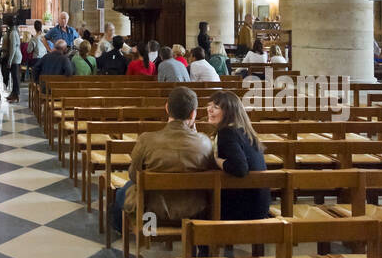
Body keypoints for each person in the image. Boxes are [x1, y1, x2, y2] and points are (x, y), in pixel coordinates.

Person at [112, 86, 213, 233]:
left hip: (153, 210)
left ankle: (121, 228)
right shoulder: (205, 142)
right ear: (193, 114)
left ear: (167, 108)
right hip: (194, 210)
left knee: (123, 191)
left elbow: (134, 175)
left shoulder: (146, 140)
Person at [206, 91, 271, 220]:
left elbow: (240, 168)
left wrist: (216, 160)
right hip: (260, 204)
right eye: (209, 105)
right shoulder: (245, 131)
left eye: (216, 107)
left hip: (244, 208)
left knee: (199, 206)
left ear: (229, 113)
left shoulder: (227, 133)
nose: (210, 110)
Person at [3, 23, 23, 101]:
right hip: (16, 56)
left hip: (15, 57)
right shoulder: (15, 32)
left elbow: (13, 48)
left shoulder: (13, 33)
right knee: (15, 77)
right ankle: (14, 93)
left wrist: (10, 61)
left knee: (15, 77)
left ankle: (16, 94)